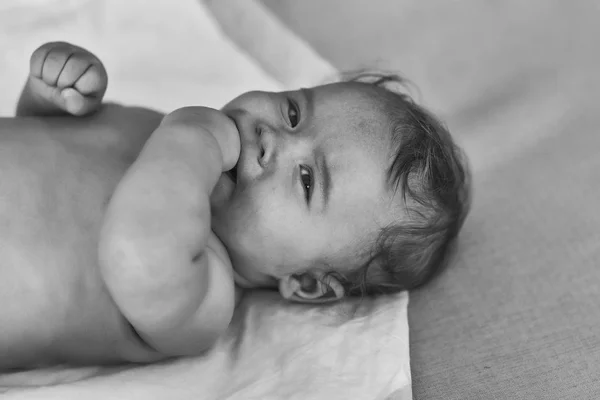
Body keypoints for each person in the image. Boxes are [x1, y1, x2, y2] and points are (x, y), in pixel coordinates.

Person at [0, 42, 470, 370]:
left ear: (306, 283)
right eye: (293, 112)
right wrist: (54, 98)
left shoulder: (205, 293)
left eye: (306, 180)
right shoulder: (157, 131)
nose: (274, 141)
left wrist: (193, 139)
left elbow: (134, 251)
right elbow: (45, 146)